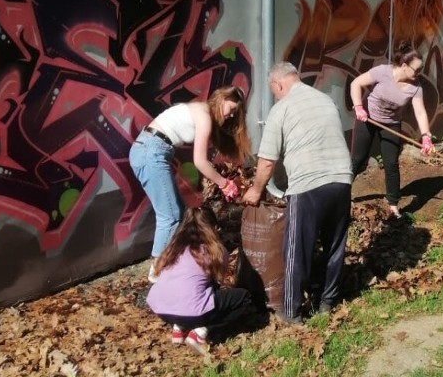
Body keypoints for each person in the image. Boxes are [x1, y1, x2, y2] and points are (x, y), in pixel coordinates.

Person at [241, 63, 352, 324]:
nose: (275, 96)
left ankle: (291, 312)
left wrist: (256, 190)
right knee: (334, 245)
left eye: (274, 91)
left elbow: (267, 160)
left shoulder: (282, 109)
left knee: (296, 249)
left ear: (279, 85)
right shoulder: (326, 101)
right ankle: (326, 301)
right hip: (342, 179)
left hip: (308, 184)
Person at [129, 86, 250, 282]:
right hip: (151, 151)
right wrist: (224, 183)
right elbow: (200, 161)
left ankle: (176, 262)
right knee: (170, 215)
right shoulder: (204, 116)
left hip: (152, 150)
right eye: (232, 110)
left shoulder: (202, 111)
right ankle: (158, 272)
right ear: (223, 98)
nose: (230, 116)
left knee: (180, 213)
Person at [146, 206, 253, 352]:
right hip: (191, 309)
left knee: (194, 291)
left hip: (161, 309)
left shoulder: (172, 248)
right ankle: (203, 331)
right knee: (244, 297)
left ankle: (180, 327)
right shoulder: (215, 250)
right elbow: (218, 281)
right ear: (214, 228)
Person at [349, 42, 435, 218]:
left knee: (391, 163)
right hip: (367, 118)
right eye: (416, 70)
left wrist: (426, 136)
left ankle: (393, 205)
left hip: (391, 124)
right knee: (358, 160)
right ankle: (341, 193)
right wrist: (359, 107)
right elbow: (356, 83)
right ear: (404, 66)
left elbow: (420, 111)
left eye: (421, 69)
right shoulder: (383, 72)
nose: (419, 73)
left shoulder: (416, 87)